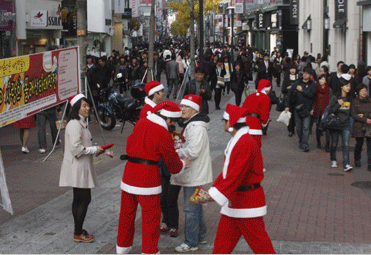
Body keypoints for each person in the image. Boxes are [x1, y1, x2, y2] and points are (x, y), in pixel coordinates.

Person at [116, 101, 191, 255]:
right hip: (147, 177)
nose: (172, 125)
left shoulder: (141, 122)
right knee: (151, 218)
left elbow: (130, 143)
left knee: (126, 214)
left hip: (129, 173)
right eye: (173, 122)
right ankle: (149, 251)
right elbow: (173, 164)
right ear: (169, 119)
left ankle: (122, 246)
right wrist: (183, 163)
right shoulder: (163, 133)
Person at [208, 104, 276, 254]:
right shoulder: (240, 140)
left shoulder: (244, 142)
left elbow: (235, 174)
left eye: (223, 121)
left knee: (261, 245)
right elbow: (228, 172)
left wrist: (214, 194)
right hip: (237, 199)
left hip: (247, 201)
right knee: (222, 244)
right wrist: (214, 191)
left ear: (230, 124)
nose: (222, 124)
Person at [59, 94, 105, 243]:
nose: (87, 108)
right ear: (76, 107)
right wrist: (94, 149)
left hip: (80, 166)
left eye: (88, 106)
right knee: (84, 199)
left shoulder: (80, 122)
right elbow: (76, 149)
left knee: (79, 199)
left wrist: (96, 150)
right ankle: (78, 232)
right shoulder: (74, 124)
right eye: (84, 106)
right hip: (77, 167)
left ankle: (77, 230)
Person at [170, 95, 212, 253]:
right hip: (195, 172)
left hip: (194, 173)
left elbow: (193, 151)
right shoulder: (193, 124)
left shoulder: (196, 126)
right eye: (181, 106)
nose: (181, 109)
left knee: (190, 209)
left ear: (194, 108)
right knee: (196, 205)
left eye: (184, 107)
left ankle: (191, 242)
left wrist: (177, 151)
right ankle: (200, 236)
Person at [285, 69, 317, 152]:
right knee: (299, 128)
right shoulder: (297, 83)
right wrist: (287, 105)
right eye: (304, 73)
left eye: (307, 73)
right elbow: (289, 94)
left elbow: (312, 95)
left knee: (306, 127)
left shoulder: (313, 84)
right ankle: (301, 141)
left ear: (310, 75)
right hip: (297, 108)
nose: (305, 75)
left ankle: (305, 144)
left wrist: (302, 90)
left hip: (307, 109)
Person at [327, 75, 353, 171]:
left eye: (349, 86)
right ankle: (333, 159)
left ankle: (346, 164)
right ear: (341, 87)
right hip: (335, 124)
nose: (348, 88)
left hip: (346, 124)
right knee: (334, 143)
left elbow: (351, 112)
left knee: (345, 145)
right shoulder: (335, 97)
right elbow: (330, 110)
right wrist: (338, 104)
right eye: (346, 86)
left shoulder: (350, 98)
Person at [351, 84, 371, 172]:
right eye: (362, 91)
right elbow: (354, 115)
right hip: (359, 125)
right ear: (358, 92)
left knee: (370, 145)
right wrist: (365, 119)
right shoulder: (355, 102)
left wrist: (367, 117)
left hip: (370, 125)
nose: (364, 92)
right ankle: (357, 159)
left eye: (365, 90)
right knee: (359, 143)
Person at [242, 79, 271, 149]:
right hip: (255, 126)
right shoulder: (266, 98)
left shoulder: (250, 96)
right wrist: (264, 123)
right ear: (268, 90)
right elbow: (265, 114)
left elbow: (242, 110)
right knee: (255, 150)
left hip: (245, 124)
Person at [311, 74, 331, 151]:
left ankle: (327, 145)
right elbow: (313, 100)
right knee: (318, 128)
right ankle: (318, 142)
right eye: (319, 79)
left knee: (327, 129)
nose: (320, 81)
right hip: (318, 111)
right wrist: (313, 109)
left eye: (322, 79)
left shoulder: (329, 90)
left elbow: (331, 101)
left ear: (326, 81)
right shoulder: (316, 89)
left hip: (326, 112)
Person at [282, 67, 298, 137]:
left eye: (293, 69)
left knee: (296, 115)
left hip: (297, 99)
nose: (292, 70)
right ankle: (290, 130)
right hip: (289, 99)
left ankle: (295, 127)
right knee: (290, 116)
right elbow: (283, 89)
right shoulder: (286, 78)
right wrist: (287, 88)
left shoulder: (299, 78)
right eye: (291, 69)